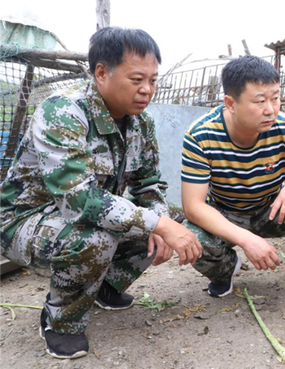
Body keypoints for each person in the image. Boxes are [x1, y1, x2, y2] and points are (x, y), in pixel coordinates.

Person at [0, 27, 202, 359]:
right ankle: (60, 320)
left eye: (153, 80)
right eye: (137, 79)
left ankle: (104, 287)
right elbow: (79, 200)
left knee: (168, 218)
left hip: (84, 217)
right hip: (22, 222)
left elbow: (149, 185)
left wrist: (162, 220)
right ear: (102, 73)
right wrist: (159, 225)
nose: (147, 89)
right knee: (99, 238)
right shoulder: (63, 111)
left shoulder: (141, 124)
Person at [181, 55, 285, 305]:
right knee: (189, 235)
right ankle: (224, 269)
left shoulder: (284, 126)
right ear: (230, 103)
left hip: (271, 212)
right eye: (260, 101)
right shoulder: (201, 135)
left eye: (275, 98)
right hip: (224, 214)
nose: (271, 109)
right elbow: (193, 206)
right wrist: (246, 240)